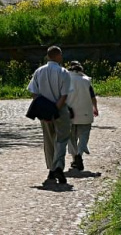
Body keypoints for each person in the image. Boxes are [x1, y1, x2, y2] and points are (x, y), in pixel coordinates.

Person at [27, 45, 72, 184]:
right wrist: (55, 109)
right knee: (62, 138)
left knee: (48, 140)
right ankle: (58, 166)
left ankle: (51, 169)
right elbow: (64, 95)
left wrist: (44, 109)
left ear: (47, 56)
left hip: (44, 111)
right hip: (60, 109)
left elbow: (34, 91)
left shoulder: (39, 71)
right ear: (58, 56)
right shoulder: (63, 72)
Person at [66, 61, 99, 171]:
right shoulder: (86, 81)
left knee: (71, 137)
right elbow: (92, 97)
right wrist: (95, 108)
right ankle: (79, 154)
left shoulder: (65, 79)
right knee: (84, 135)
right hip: (85, 112)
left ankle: (75, 157)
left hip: (69, 113)